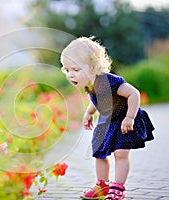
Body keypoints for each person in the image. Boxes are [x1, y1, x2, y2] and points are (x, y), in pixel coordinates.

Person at [60, 37, 155, 200]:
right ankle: (102, 185)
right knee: (99, 153)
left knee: (121, 153)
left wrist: (130, 117)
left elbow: (134, 94)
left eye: (75, 69)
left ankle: (118, 187)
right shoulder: (89, 84)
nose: (70, 75)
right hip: (107, 121)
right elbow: (98, 99)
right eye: (67, 70)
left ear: (92, 67)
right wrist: (89, 112)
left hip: (123, 120)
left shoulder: (109, 81)